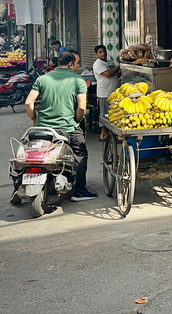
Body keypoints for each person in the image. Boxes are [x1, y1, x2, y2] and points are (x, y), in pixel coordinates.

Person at [23, 51, 97, 202]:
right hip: (67, 128)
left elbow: (29, 103)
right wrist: (76, 121)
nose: (77, 67)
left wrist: (34, 119)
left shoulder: (43, 78)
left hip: (42, 129)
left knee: (30, 150)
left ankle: (19, 185)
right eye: (76, 64)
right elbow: (82, 107)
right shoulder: (78, 80)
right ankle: (80, 191)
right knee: (80, 152)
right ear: (70, 64)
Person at [92, 45, 120, 121]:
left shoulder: (110, 62)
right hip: (105, 94)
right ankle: (103, 129)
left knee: (114, 114)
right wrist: (118, 67)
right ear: (96, 55)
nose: (103, 53)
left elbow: (117, 73)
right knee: (105, 115)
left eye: (104, 51)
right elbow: (107, 74)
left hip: (114, 93)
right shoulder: (98, 64)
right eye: (100, 52)